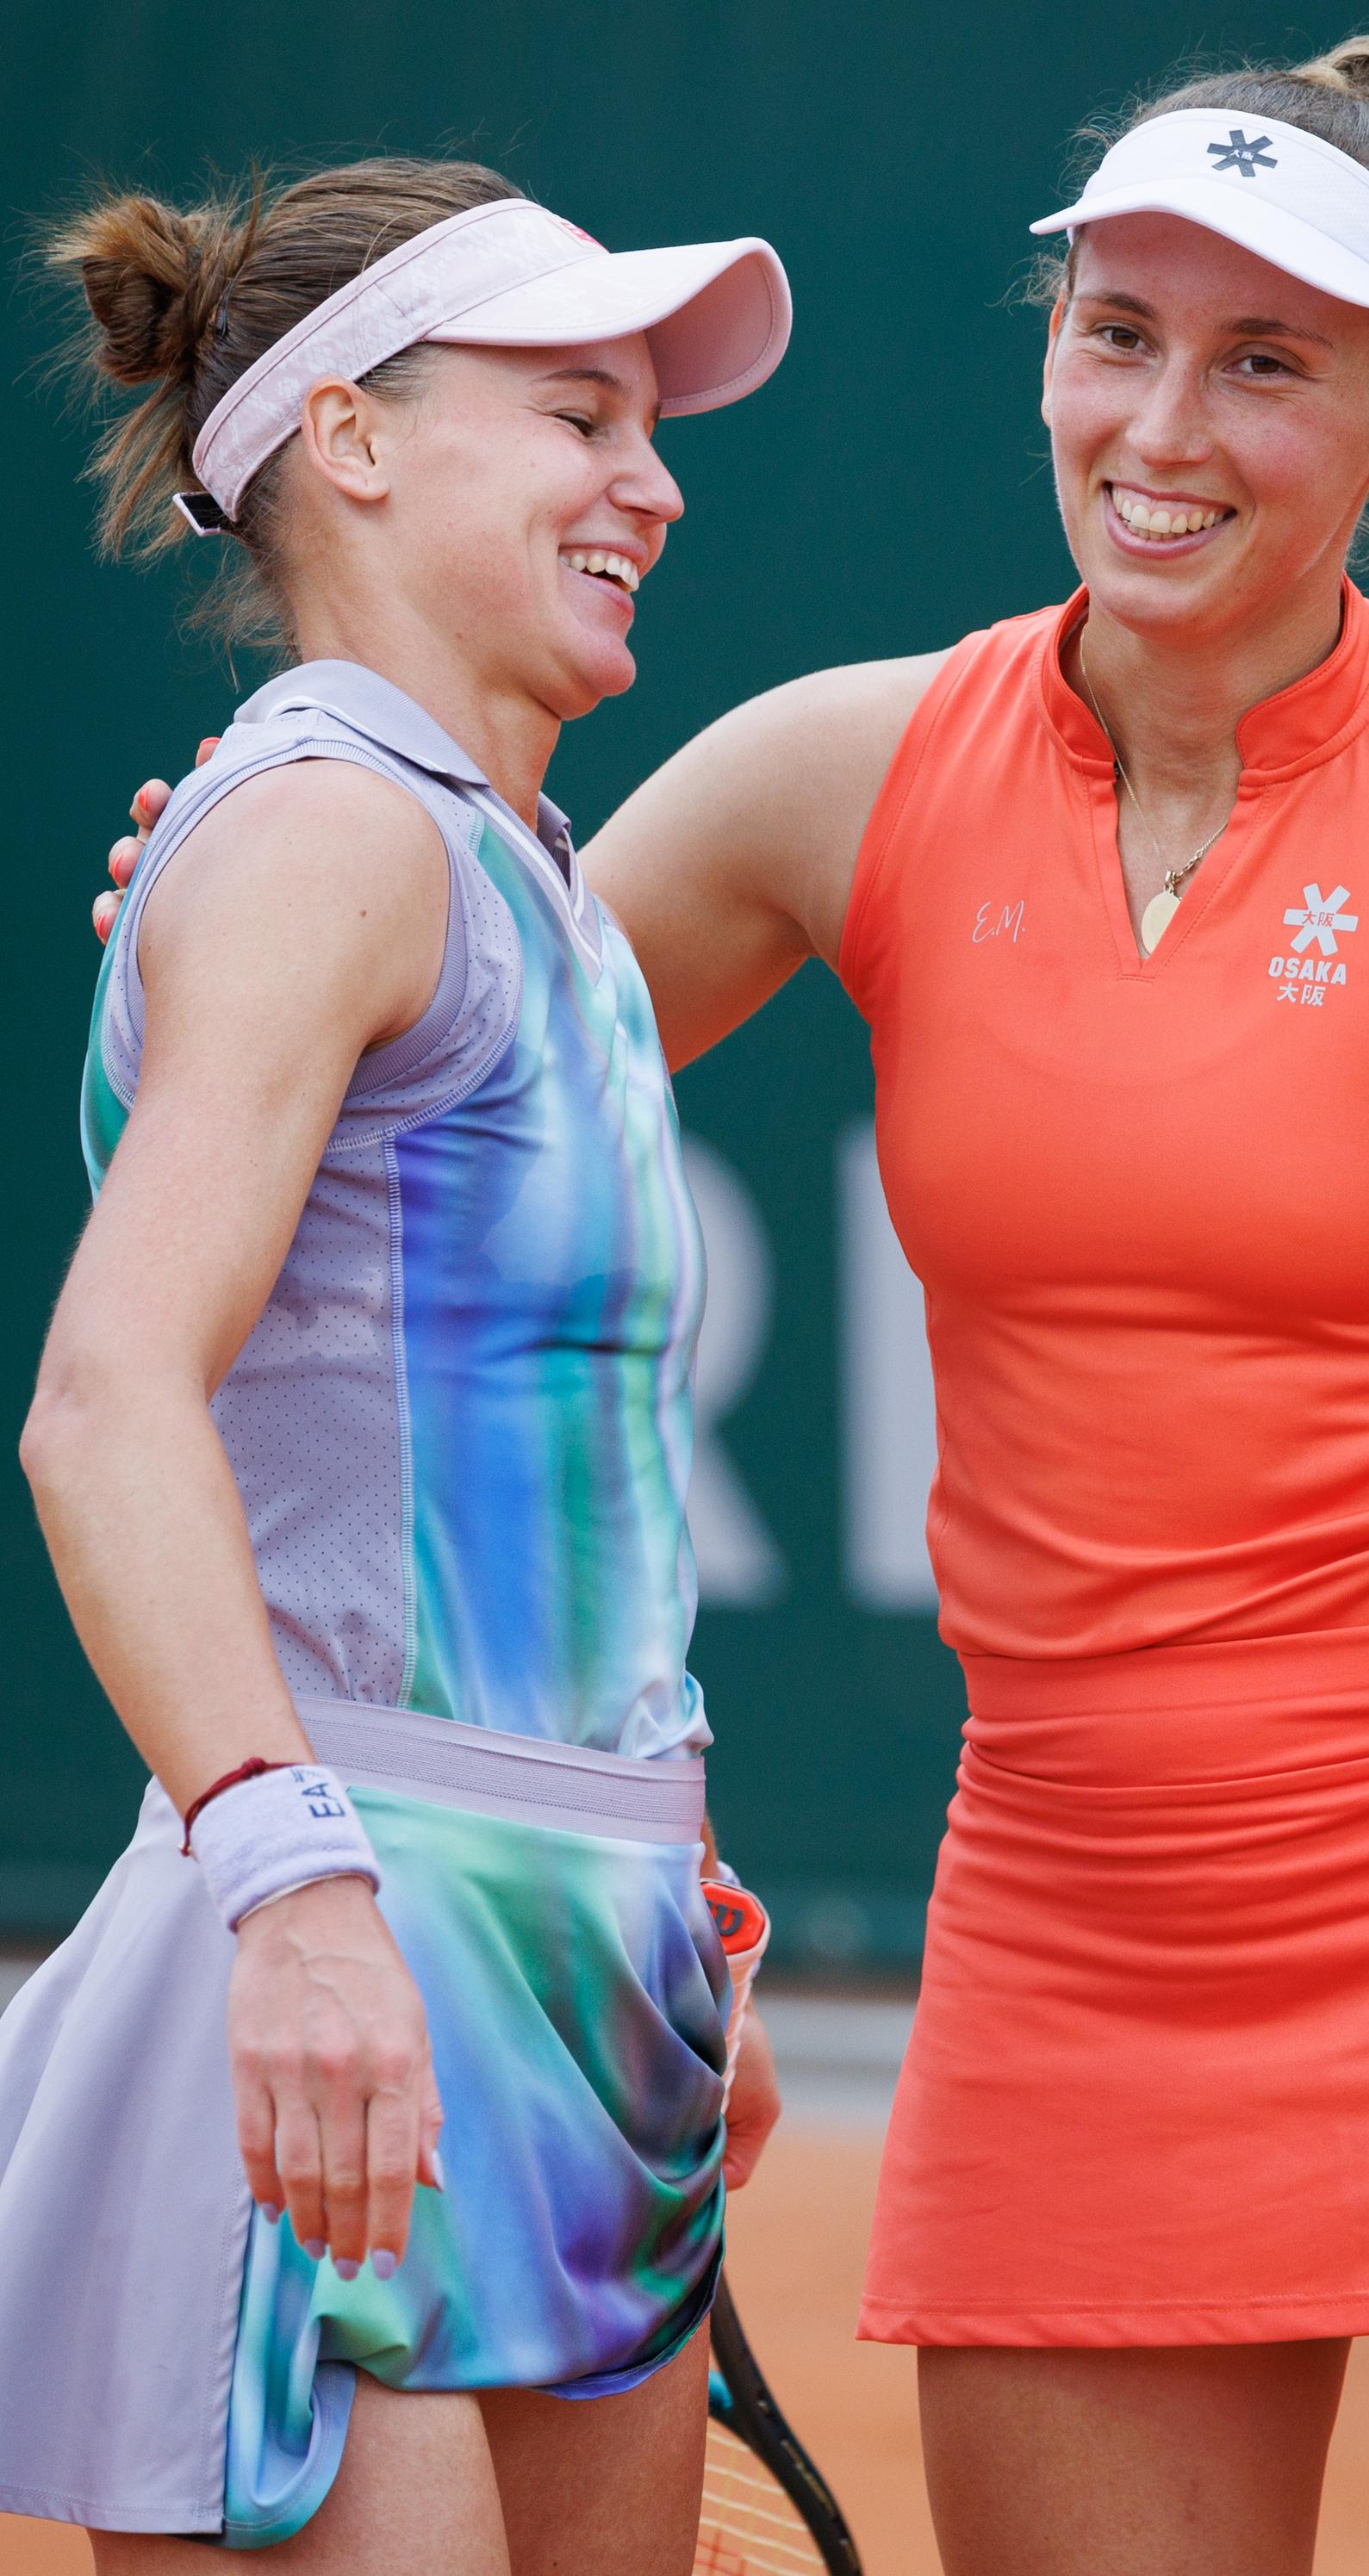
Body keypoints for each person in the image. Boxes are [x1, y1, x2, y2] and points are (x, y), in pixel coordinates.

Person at [94, 35, 1369, 2575]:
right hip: (1074, 1959)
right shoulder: (854, 773)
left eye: (1270, 363)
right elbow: (466, 1060)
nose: (1165, 422)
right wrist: (262, 880)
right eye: (1119, 330)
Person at [9, 158, 791, 2572]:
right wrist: (296, 1890)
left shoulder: (510, 868)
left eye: (648, 423)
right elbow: (105, 1396)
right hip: (347, 1953)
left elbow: (509, 1504)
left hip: (582, 1973)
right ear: (348, 439)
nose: (648, 476)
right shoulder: (337, 834)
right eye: (575, 413)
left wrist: (672, 1890)